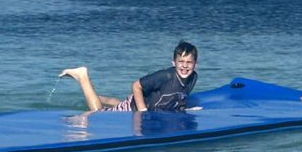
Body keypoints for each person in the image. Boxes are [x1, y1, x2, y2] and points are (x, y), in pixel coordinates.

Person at [59, 41, 199, 114]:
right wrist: (142, 112)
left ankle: (92, 94)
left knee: (117, 102)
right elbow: (136, 85)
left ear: (195, 64)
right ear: (173, 63)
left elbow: (179, 96)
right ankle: (83, 76)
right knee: (98, 114)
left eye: (189, 63)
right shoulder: (165, 76)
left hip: (138, 102)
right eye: (181, 62)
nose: (185, 66)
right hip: (132, 108)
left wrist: (184, 110)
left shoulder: (193, 77)